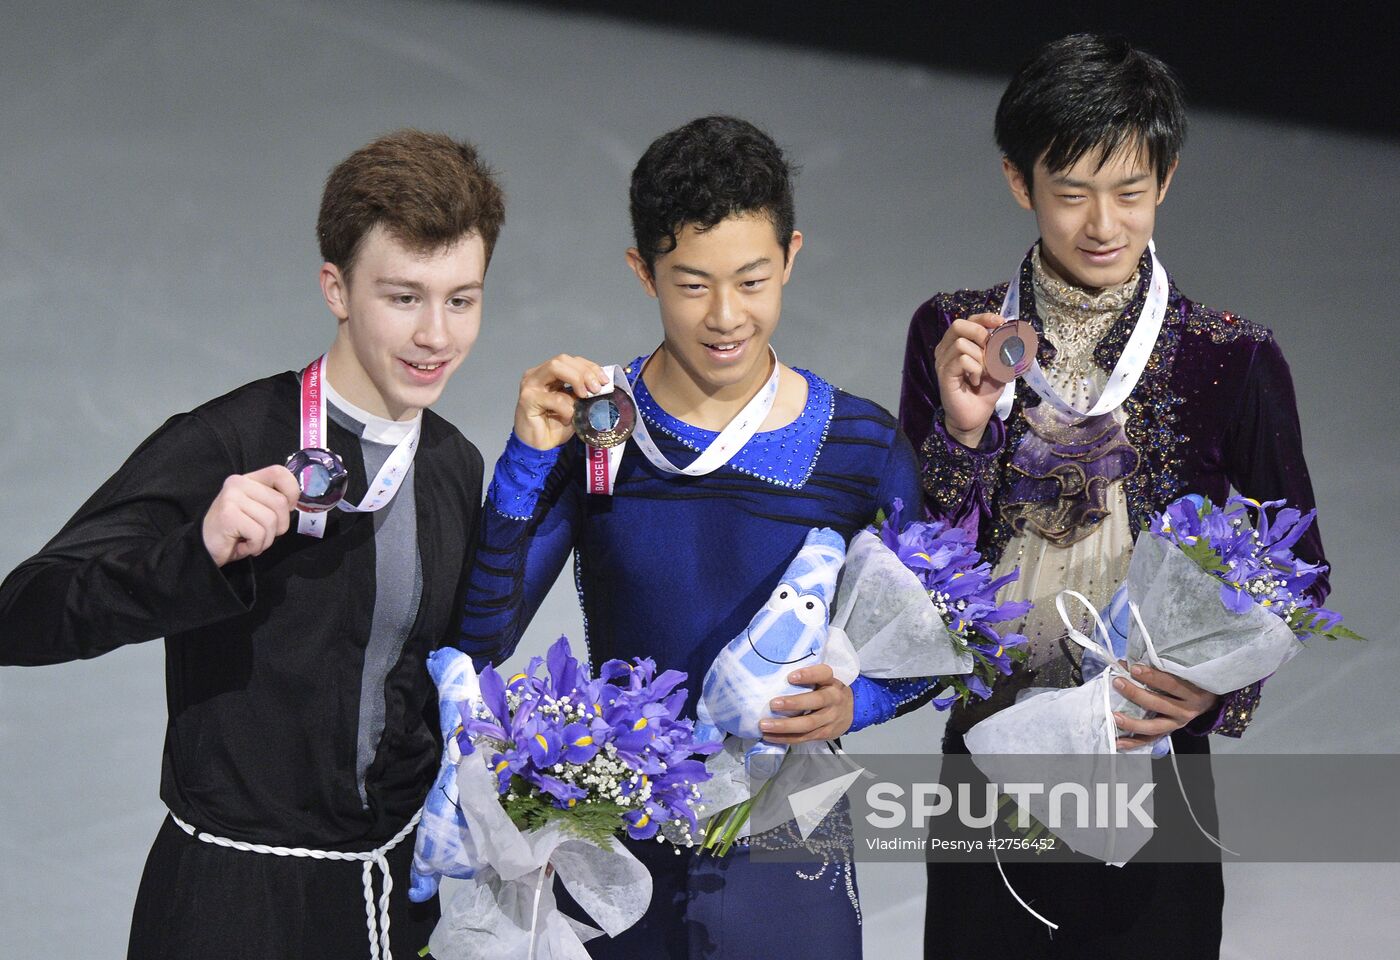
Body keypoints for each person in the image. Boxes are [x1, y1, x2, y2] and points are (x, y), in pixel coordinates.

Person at [0, 130, 504, 960]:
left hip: (400, 898)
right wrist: (192, 554)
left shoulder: (451, 462)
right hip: (234, 904)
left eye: (461, 299)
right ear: (336, 290)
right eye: (403, 297)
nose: (436, 336)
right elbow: (25, 614)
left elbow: (445, 668)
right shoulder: (228, 442)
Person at [458, 115, 929, 959]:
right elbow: (480, 636)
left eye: (752, 280)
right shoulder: (595, 428)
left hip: (791, 851)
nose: (724, 317)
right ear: (643, 272)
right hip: (620, 849)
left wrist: (862, 703)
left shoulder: (861, 447)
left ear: (790, 255)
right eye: (691, 284)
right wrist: (527, 465)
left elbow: (925, 650)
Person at [899, 34, 1328, 958]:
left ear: (1166, 178)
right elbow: (914, 556)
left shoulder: (1233, 357)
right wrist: (965, 432)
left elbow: (1301, 574)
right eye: (1072, 191)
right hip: (994, 752)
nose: (1102, 222)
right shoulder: (956, 332)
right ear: (1020, 181)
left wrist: (1204, 700)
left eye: (1129, 191)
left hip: (1151, 753)